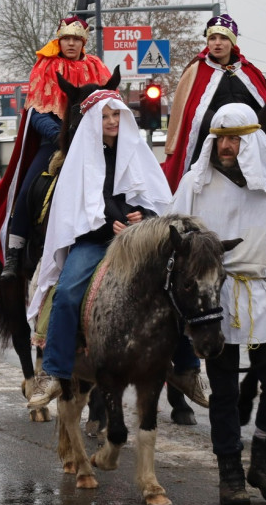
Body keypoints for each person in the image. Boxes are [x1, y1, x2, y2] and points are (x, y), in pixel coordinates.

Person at [166, 103, 266, 505]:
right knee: (225, 389)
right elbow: (174, 244)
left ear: (249, 141)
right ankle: (230, 471)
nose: (227, 146)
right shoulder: (196, 186)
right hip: (217, 295)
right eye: (222, 138)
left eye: (235, 139)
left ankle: (263, 463)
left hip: (264, 292)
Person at [26, 90, 171, 406]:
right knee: (65, 294)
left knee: (175, 284)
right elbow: (72, 207)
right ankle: (53, 371)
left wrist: (142, 216)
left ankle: (183, 366)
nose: (111, 121)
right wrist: (108, 226)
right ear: (93, 121)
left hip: (135, 241)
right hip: (93, 241)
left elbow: (154, 198)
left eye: (116, 115)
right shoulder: (79, 159)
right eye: (105, 117)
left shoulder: (136, 151)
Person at [0, 16, 111, 281]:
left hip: (94, 143)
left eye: (76, 39)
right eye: (66, 39)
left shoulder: (97, 67)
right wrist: (59, 135)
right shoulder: (46, 66)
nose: (71, 43)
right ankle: (15, 252)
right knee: (26, 190)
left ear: (83, 42)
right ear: (59, 41)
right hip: (57, 143)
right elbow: (35, 111)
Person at [161, 14, 266, 191]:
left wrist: (247, 127)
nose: (217, 43)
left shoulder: (249, 70)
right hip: (209, 144)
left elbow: (265, 108)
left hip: (248, 144)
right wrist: (223, 125)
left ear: (233, 42)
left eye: (223, 38)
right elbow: (191, 112)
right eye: (212, 38)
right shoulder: (195, 70)